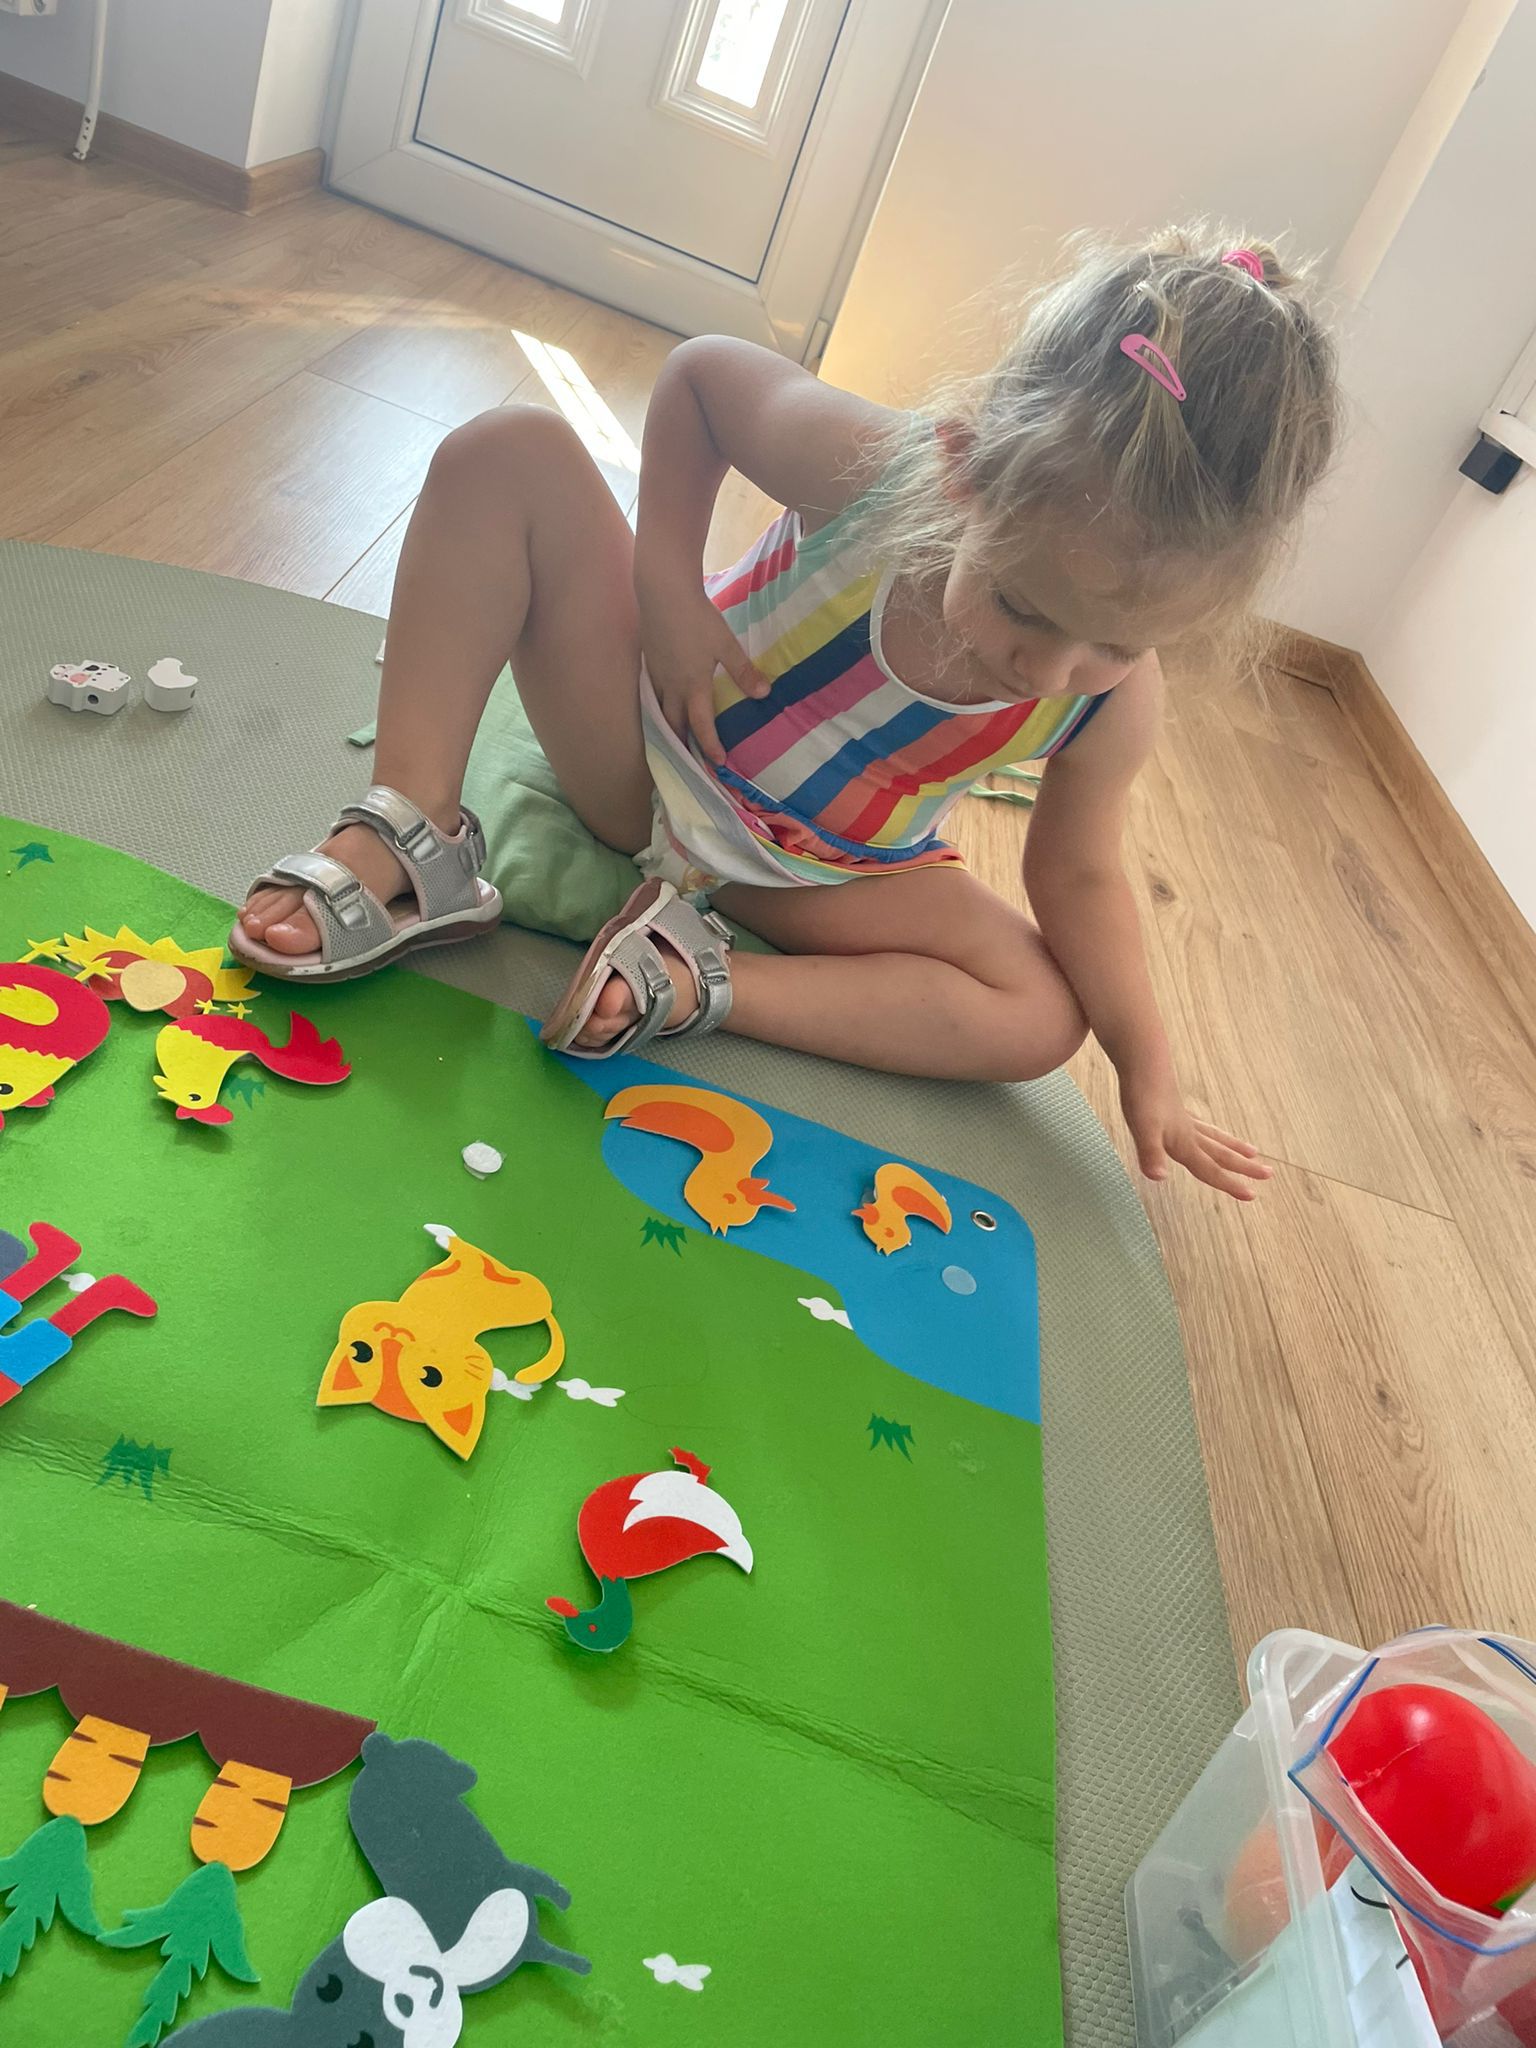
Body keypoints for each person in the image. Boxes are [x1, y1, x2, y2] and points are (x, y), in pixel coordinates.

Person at [232, 225, 1338, 1201]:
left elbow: (1081, 876)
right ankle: (414, 826)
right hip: (650, 745)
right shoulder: (874, 471)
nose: (1048, 672)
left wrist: (1148, 1065)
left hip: (817, 877)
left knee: (1045, 1014)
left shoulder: (1111, 706)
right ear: (966, 470)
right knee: (506, 450)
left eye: (1117, 645)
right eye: (1023, 607)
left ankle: (700, 979)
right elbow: (701, 381)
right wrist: (668, 584)